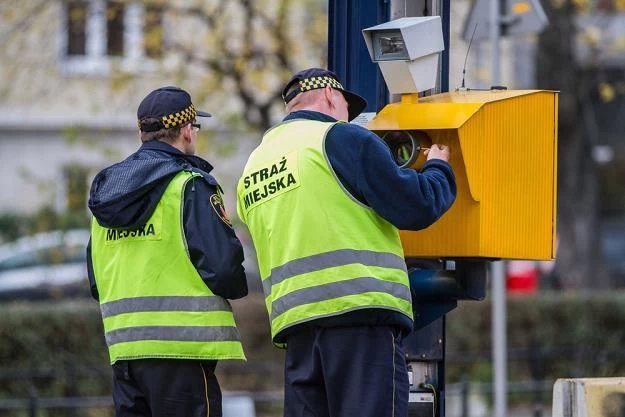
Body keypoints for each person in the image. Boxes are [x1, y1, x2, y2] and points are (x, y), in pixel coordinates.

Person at [236, 68, 456, 417]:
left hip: (298, 331)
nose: (349, 117)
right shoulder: (339, 138)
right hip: (360, 318)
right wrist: (439, 169)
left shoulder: (255, 164)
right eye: (346, 107)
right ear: (329, 96)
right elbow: (417, 206)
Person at [87, 86, 247, 417]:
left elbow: (95, 281)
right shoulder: (189, 184)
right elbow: (224, 269)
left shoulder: (106, 196)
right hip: (183, 352)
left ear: (142, 133)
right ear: (187, 130)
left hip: (126, 352)